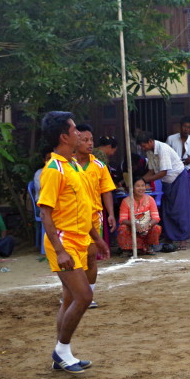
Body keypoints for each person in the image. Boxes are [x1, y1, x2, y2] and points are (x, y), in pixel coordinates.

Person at [36, 111, 109, 376]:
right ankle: (62, 351)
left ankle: (61, 355)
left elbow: (84, 207)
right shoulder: (53, 170)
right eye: (75, 130)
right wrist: (60, 250)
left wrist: (97, 238)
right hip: (64, 243)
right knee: (84, 296)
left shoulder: (74, 166)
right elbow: (45, 213)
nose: (80, 134)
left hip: (80, 240)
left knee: (69, 299)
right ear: (64, 137)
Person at [74, 123, 117, 309]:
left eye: (91, 139)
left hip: (93, 216)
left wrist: (111, 214)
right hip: (71, 218)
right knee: (73, 258)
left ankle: (88, 295)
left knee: (91, 256)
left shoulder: (99, 165)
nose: (89, 143)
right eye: (85, 140)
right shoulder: (65, 165)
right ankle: (71, 294)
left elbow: (106, 191)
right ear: (75, 141)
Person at [138, 132, 190, 250]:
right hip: (167, 182)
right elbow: (151, 171)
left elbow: (163, 172)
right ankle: (170, 236)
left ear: (150, 141)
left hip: (178, 178)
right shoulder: (150, 151)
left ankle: (183, 240)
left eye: (144, 146)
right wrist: (142, 180)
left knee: (180, 209)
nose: (143, 149)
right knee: (167, 209)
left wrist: (143, 181)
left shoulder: (163, 149)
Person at [118, 178, 162, 255]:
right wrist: (134, 224)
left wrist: (148, 225)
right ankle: (129, 249)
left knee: (156, 228)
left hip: (146, 228)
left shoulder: (150, 199)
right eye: (138, 186)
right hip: (132, 228)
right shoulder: (126, 201)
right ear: (132, 188)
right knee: (123, 228)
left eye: (143, 186)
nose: (141, 188)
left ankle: (148, 246)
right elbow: (122, 220)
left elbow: (156, 218)